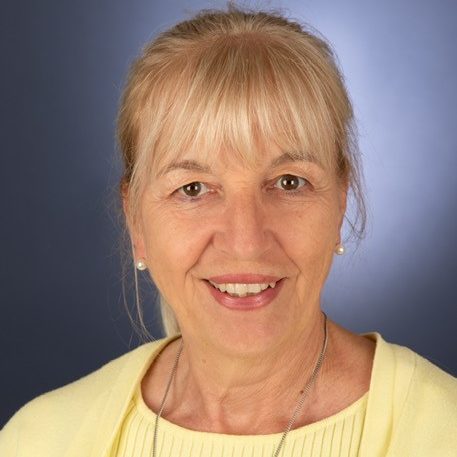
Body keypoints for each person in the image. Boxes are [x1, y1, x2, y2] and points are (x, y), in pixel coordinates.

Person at [1, 3, 456, 457]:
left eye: (288, 182)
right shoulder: (39, 440)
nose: (245, 241)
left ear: (340, 201)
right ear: (135, 219)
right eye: (193, 188)